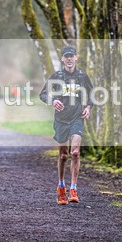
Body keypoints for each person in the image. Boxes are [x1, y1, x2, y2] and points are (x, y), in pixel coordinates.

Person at [39, 45, 93, 205]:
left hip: (77, 118)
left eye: (71, 56)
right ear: (62, 59)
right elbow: (43, 94)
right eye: (66, 56)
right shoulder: (57, 76)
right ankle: (61, 187)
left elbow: (92, 95)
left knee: (75, 152)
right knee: (63, 155)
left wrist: (88, 107)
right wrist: (53, 101)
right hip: (61, 120)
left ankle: (74, 188)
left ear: (76, 58)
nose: (69, 59)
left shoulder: (82, 77)